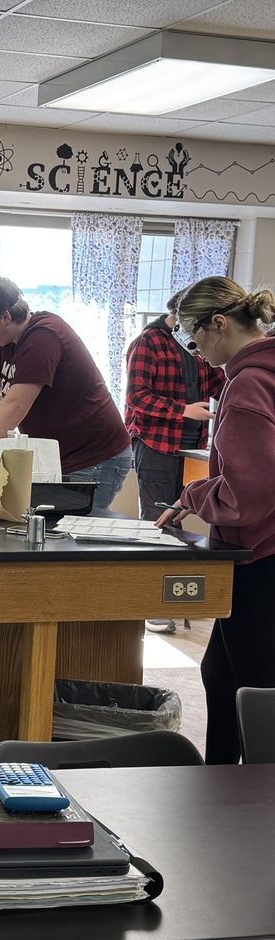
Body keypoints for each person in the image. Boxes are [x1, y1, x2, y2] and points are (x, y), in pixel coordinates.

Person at [156, 276, 275, 765]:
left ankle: (247, 804)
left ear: (219, 324)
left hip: (261, 557)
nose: (193, 349)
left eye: (192, 335)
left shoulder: (248, 385)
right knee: (221, 674)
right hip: (261, 554)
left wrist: (193, 492)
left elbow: (245, 498)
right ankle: (221, 783)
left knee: (255, 689)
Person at [0, 275, 132, 511]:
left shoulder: (43, 336)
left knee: (72, 534)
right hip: (62, 456)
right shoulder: (7, 344)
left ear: (5, 316)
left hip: (96, 455)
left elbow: (15, 405)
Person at [126, 289, 226, 634]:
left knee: (179, 520)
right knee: (157, 520)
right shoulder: (148, 342)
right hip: (155, 444)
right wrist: (183, 411)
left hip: (192, 447)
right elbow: (136, 397)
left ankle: (178, 596)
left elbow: (220, 381)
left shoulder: (197, 346)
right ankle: (153, 605)